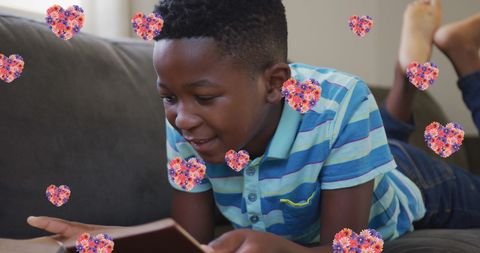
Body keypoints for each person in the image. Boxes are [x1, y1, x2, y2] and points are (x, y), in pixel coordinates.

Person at [26, 0, 480, 252]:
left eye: (203, 97)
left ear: (274, 83)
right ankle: (407, 77)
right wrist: (107, 236)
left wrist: (282, 252)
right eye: (168, 97)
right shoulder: (188, 119)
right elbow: (194, 242)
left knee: (381, 146)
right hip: (340, 150)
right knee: (370, 134)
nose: (181, 117)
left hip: (412, 184)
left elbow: (350, 247)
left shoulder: (341, 101)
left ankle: (459, 54)